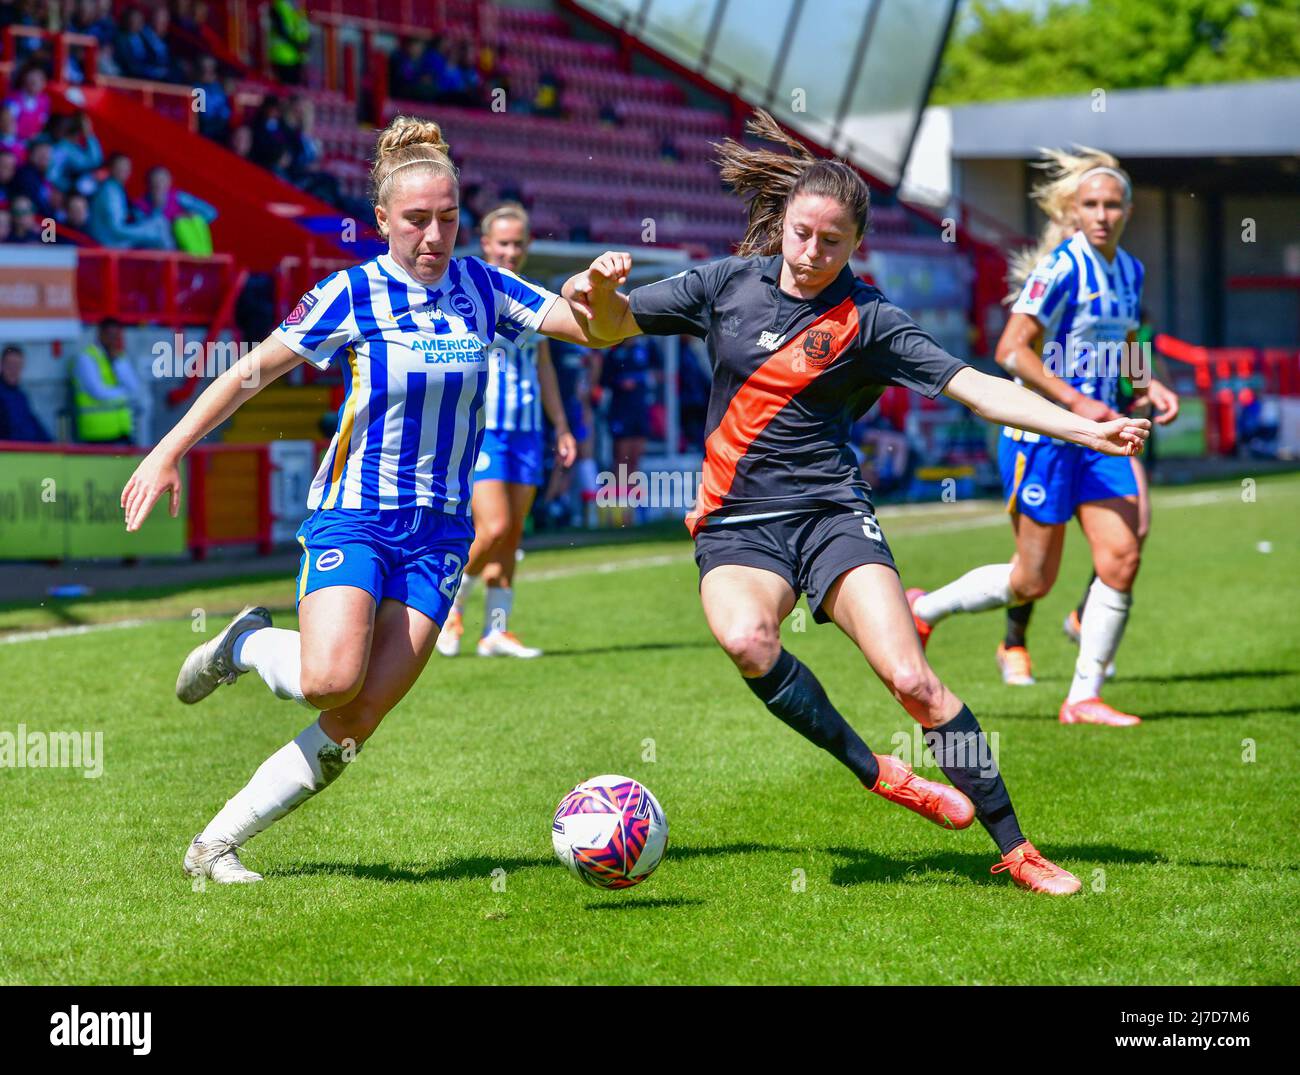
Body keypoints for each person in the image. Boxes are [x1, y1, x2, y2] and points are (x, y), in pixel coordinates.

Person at [561, 110, 1150, 895]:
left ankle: (1016, 847)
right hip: (737, 524)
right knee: (747, 639)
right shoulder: (724, 284)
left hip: (834, 515)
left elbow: (978, 386)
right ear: (783, 225)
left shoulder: (870, 320)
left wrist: (1085, 426)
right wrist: (594, 290)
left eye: (830, 242)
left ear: (855, 245)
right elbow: (609, 328)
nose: (810, 254)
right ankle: (880, 773)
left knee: (912, 679)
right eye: (801, 234)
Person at [120, 116, 614, 884]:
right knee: (328, 679)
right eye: (417, 219)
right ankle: (244, 646)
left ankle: (213, 844)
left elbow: (591, 329)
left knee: (357, 716)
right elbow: (250, 372)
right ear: (382, 219)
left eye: (448, 218)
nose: (435, 234)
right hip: (356, 514)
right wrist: (167, 449)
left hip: (441, 535)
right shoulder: (351, 293)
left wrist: (600, 294)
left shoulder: (483, 286)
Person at [909, 148, 1178, 724]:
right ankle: (924, 609)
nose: (1103, 214)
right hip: (1044, 439)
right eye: (1091, 205)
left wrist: (1147, 384)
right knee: (1033, 579)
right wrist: (1079, 402)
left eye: (1112, 205)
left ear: (1128, 210)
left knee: (1122, 556)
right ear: (1074, 211)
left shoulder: (1130, 269)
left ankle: (1083, 697)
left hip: (1101, 439)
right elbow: (1010, 351)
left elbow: (1129, 339)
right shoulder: (1060, 269)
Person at [437, 203, 576, 659]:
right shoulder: (468, 293)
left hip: (527, 429)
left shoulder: (536, 297)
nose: (511, 251)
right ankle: (447, 608)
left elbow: (544, 367)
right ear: (485, 243)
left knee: (513, 532)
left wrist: (560, 425)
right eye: (503, 243)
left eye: (518, 243)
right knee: (491, 527)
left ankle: (495, 630)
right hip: (484, 427)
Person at [72, 318, 139, 444]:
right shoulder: (87, 358)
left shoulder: (120, 357)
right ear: (100, 334)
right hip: (96, 432)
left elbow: (134, 387)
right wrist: (125, 394)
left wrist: (117, 362)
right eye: (110, 335)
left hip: (122, 429)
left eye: (116, 336)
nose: (112, 340)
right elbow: (97, 391)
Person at [0, 344, 52, 442]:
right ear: (1, 366)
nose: (13, 370)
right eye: (10, 365)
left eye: (17, 366)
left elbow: (34, 425)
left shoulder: (21, 396)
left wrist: (52, 445)